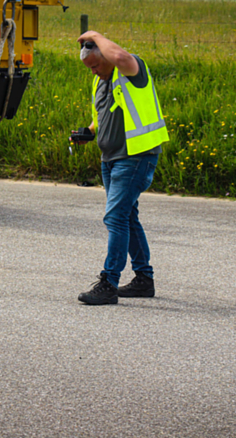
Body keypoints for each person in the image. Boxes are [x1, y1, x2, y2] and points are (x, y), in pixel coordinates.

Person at [75, 31, 169, 305]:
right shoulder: (100, 81)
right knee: (126, 217)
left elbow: (119, 55)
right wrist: (89, 132)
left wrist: (94, 34)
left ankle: (109, 283)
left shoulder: (130, 69)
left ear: (106, 56)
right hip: (111, 158)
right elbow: (103, 115)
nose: (93, 71)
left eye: (95, 65)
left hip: (136, 157)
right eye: (89, 68)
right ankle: (143, 280)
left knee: (115, 218)